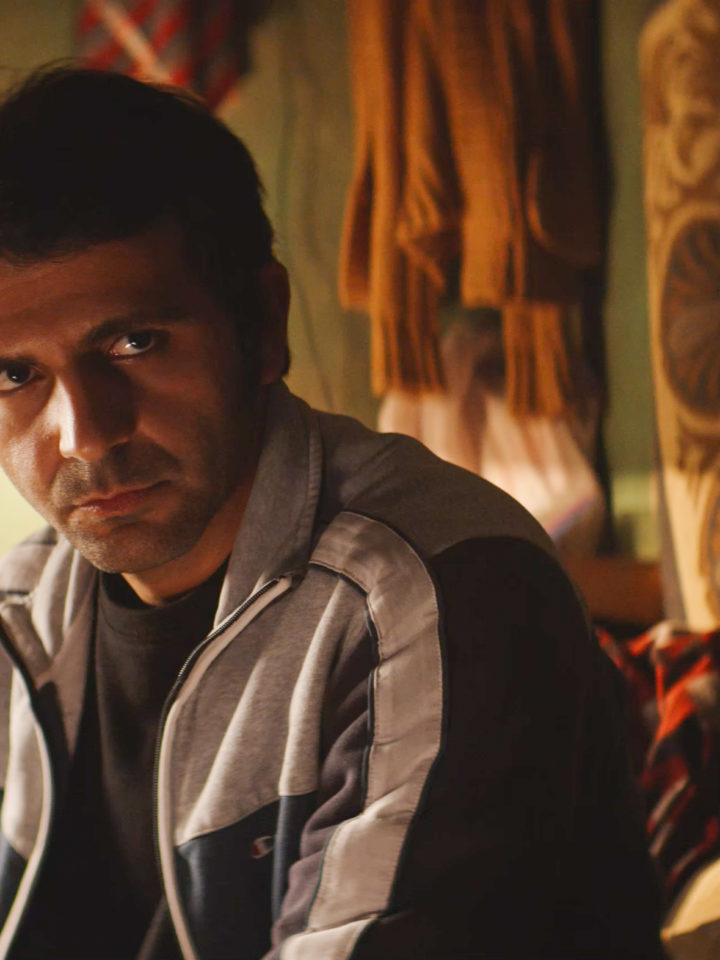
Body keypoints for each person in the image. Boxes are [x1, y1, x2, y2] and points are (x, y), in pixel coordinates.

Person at [0, 64, 662, 960]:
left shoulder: (437, 594)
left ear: (263, 324)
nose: (83, 434)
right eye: (15, 374)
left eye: (134, 341)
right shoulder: (22, 615)